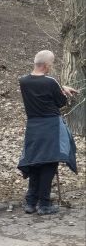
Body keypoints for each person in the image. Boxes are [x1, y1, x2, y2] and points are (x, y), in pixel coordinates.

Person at [18, 50, 77, 215]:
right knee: (50, 163)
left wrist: (60, 88)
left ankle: (30, 202)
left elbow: (39, 86)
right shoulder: (51, 82)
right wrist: (63, 91)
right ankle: (44, 205)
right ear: (46, 65)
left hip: (33, 125)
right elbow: (60, 102)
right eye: (51, 63)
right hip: (51, 125)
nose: (51, 66)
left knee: (35, 162)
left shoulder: (23, 81)